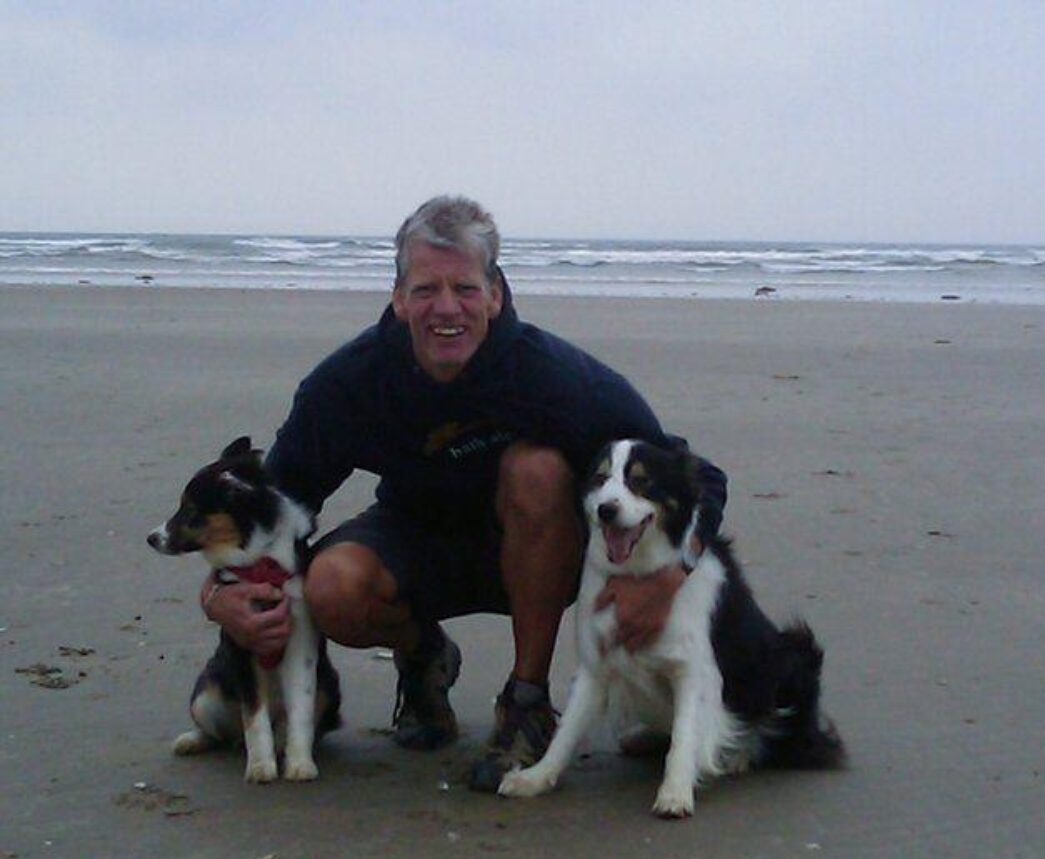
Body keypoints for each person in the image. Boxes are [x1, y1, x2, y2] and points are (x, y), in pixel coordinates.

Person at [198, 196, 727, 791]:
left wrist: (668, 577)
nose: (445, 309)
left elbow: (699, 478)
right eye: (425, 290)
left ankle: (527, 704)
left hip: (537, 550)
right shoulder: (350, 383)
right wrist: (221, 593)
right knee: (331, 587)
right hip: (413, 537)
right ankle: (424, 658)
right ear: (398, 298)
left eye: (465, 289)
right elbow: (274, 505)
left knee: (537, 469)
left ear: (495, 293)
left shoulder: (556, 378)